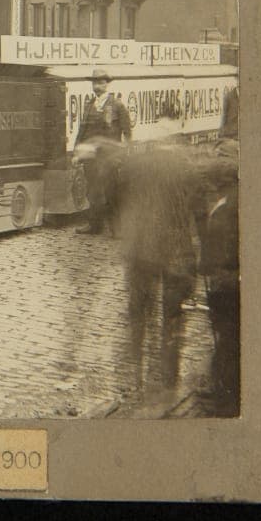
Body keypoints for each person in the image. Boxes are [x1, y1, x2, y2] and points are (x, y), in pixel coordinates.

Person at [109, 141, 200, 393]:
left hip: (141, 249)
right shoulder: (185, 167)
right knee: (171, 316)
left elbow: (117, 198)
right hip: (173, 250)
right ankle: (168, 379)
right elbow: (193, 213)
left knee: (138, 312)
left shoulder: (135, 165)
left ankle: (134, 373)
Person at [195, 139, 240, 416]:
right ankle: (223, 387)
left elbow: (226, 246)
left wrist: (210, 266)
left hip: (228, 283)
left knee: (228, 337)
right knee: (227, 336)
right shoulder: (228, 198)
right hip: (225, 280)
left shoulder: (233, 203)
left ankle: (226, 398)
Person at [74, 67, 132, 235]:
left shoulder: (118, 106)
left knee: (111, 191)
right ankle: (94, 225)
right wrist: (77, 153)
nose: (97, 86)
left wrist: (122, 156)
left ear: (107, 84)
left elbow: (127, 133)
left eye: (101, 82)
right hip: (91, 156)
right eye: (95, 82)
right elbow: (82, 131)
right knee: (92, 191)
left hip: (109, 157)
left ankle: (117, 228)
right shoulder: (89, 105)